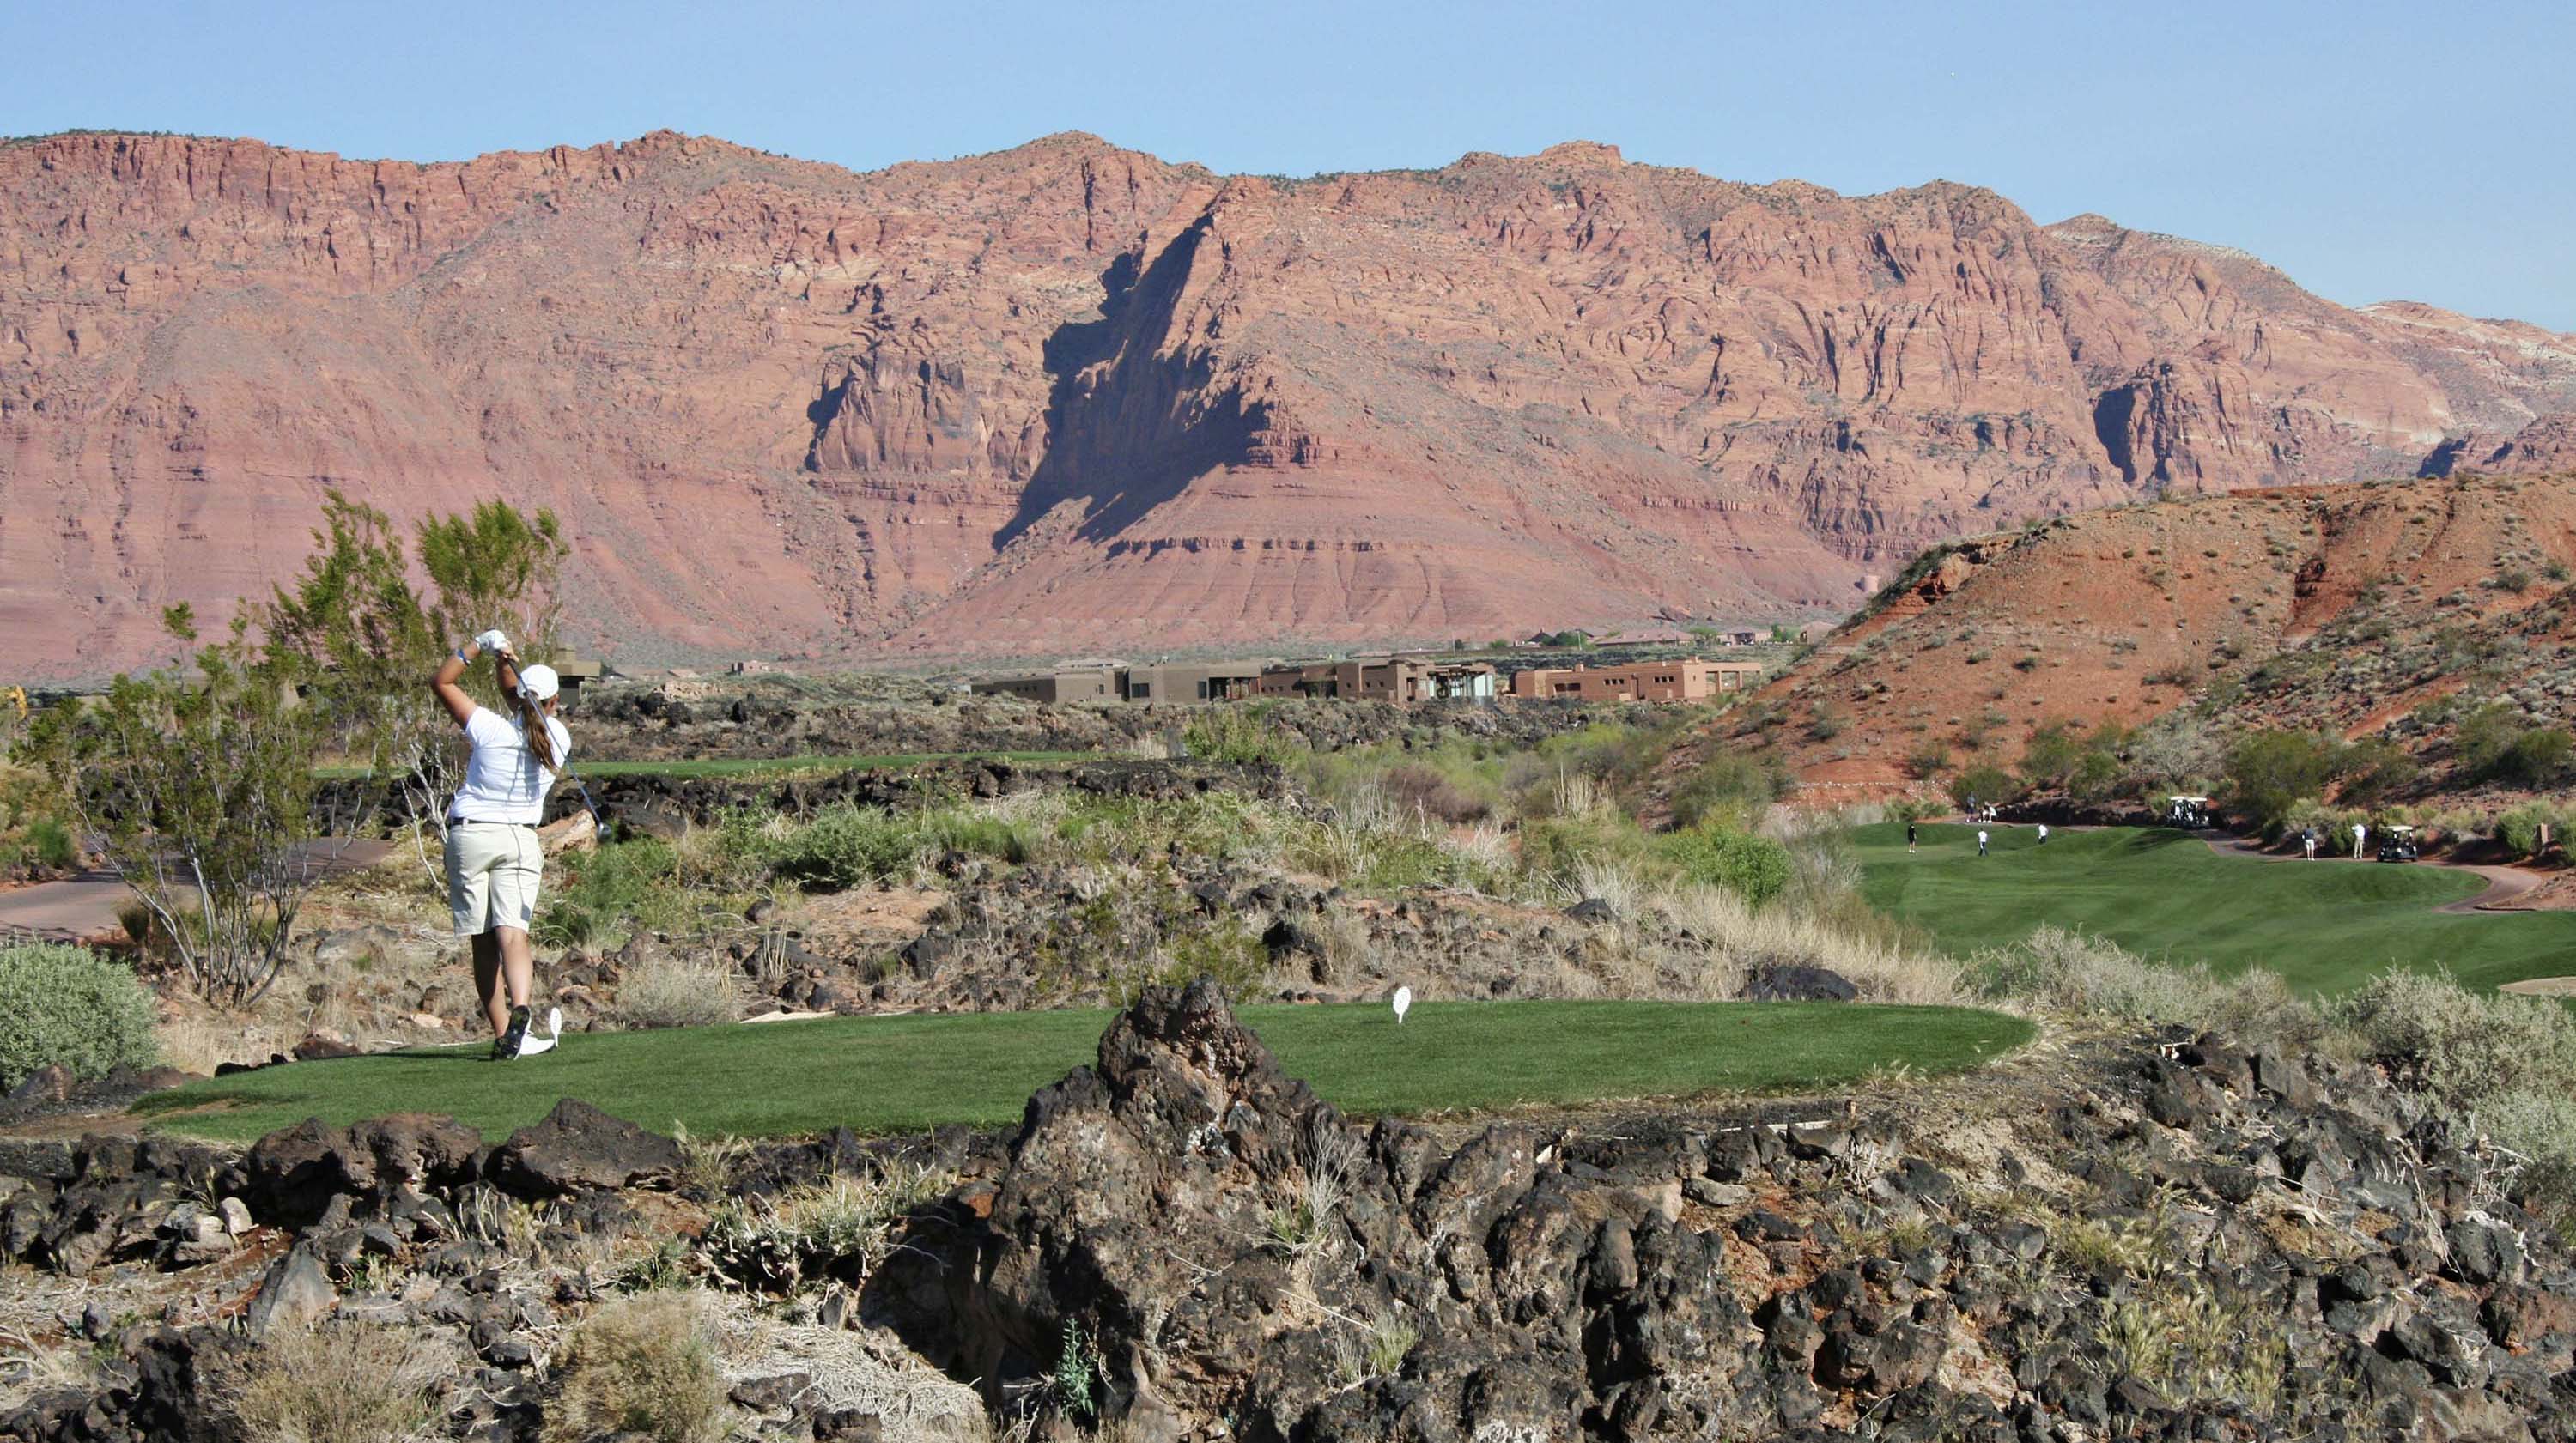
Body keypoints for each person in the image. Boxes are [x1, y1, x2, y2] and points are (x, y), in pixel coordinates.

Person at [431, 629, 572, 1061]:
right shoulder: (559, 739)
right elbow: (522, 701)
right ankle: (523, 1011)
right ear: (553, 702)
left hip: (472, 836)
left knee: (482, 940)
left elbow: (443, 682)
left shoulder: (489, 728)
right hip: (520, 839)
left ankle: (501, 1034)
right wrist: (504, 662)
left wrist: (480, 646)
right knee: (514, 935)